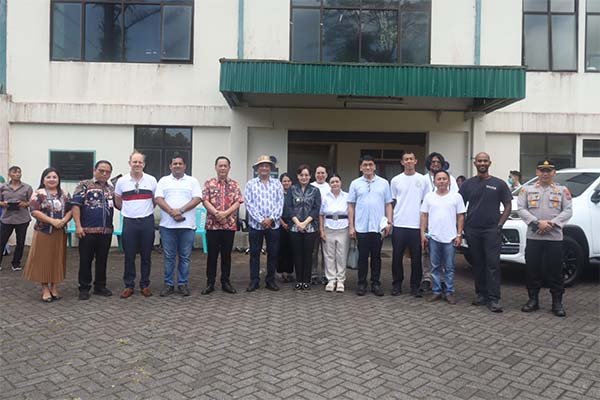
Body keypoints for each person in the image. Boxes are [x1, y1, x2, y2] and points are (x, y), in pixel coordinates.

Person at [517, 160, 572, 317]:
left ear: (554, 173)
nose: (545, 173)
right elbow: (521, 208)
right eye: (542, 170)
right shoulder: (526, 190)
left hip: (554, 238)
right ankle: (533, 300)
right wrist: (537, 223)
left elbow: (568, 210)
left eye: (548, 170)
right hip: (534, 237)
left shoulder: (562, 190)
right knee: (532, 270)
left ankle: (557, 303)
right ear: (537, 172)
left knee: (556, 271)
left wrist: (551, 224)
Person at [459, 152, 512, 313]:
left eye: (485, 161)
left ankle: (494, 298)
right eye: (479, 161)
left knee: (493, 264)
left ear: (489, 163)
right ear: (475, 163)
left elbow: (508, 205)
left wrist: (499, 225)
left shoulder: (499, 184)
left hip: (491, 230)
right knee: (478, 264)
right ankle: (480, 294)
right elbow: (459, 207)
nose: (482, 163)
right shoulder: (467, 184)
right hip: (473, 230)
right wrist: (463, 227)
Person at [71, 160, 120, 300]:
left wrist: (119, 191)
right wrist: (78, 226)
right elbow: (75, 205)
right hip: (87, 231)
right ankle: (84, 288)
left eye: (107, 172)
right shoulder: (84, 185)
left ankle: (100, 286)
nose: (104, 174)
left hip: (106, 231)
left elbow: (119, 206)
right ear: (94, 170)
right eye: (101, 171)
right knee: (85, 260)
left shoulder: (111, 188)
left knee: (102, 260)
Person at [155, 156, 202, 297]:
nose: (177, 165)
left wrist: (180, 210)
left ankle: (182, 284)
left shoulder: (192, 181)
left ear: (184, 166)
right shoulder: (163, 181)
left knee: (185, 257)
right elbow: (158, 198)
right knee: (169, 257)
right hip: (167, 227)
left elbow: (197, 198)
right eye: (174, 163)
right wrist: (172, 212)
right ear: (170, 166)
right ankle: (168, 284)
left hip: (187, 226)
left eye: (180, 163)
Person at [23, 168, 72, 302]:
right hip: (43, 231)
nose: (52, 179)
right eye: (48, 177)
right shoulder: (38, 194)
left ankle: (54, 287)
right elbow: (34, 211)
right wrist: (52, 221)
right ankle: (45, 288)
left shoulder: (64, 193)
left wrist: (63, 221)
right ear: (43, 180)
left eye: (54, 177)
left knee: (57, 259)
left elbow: (70, 210)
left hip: (60, 232)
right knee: (43, 259)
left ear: (59, 179)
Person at [348, 155, 393, 296]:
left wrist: (389, 222)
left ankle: (376, 283)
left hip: (377, 227)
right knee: (362, 257)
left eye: (370, 164)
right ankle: (361, 283)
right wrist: (351, 226)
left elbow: (388, 204)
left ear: (374, 167)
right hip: (361, 227)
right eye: (365, 165)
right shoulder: (355, 183)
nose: (368, 167)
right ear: (360, 167)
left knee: (376, 257)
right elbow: (351, 206)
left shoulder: (384, 183)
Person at [114, 151, 157, 299]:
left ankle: (145, 285)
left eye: (140, 162)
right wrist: (129, 210)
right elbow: (118, 201)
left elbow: (155, 200)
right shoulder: (122, 181)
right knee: (129, 255)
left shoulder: (151, 180)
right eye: (134, 162)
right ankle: (129, 285)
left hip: (147, 221)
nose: (137, 164)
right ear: (129, 163)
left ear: (144, 164)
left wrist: (144, 210)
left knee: (146, 255)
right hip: (129, 222)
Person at [420, 170, 466, 305]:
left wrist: (459, 234)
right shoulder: (429, 197)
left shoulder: (456, 197)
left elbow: (461, 216)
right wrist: (422, 234)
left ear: (449, 181)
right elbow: (424, 215)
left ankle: (449, 292)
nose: (441, 181)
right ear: (434, 181)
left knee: (449, 267)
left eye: (444, 179)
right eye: (438, 179)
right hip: (433, 237)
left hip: (450, 237)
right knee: (434, 266)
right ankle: (436, 291)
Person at [201, 156, 243, 295]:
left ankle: (226, 282)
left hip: (228, 226)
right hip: (212, 226)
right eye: (220, 165)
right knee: (212, 256)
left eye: (225, 166)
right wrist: (216, 213)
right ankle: (210, 283)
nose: (223, 168)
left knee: (226, 255)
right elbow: (205, 200)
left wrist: (225, 214)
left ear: (229, 168)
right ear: (215, 167)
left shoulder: (235, 184)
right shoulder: (209, 183)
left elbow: (238, 202)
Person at [389, 152, 430, 297]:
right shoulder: (395, 180)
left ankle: (415, 286)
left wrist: (425, 225)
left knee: (416, 258)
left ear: (416, 161)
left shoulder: (423, 180)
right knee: (397, 257)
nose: (409, 161)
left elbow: (426, 203)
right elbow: (392, 202)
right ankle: (397, 284)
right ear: (402, 162)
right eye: (406, 159)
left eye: (411, 159)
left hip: (416, 225)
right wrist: (390, 221)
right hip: (399, 223)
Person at [244, 155, 284, 292]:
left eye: (267, 166)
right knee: (254, 254)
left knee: (273, 253)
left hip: (273, 225)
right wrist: (261, 220)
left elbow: (280, 203)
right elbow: (249, 204)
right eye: (261, 166)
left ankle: (270, 280)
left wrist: (271, 219)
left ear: (270, 168)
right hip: (256, 225)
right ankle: (254, 281)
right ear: (257, 169)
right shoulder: (250, 184)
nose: (264, 168)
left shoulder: (277, 184)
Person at [422, 152, 458, 292]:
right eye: (433, 162)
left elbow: (455, 199)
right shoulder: (423, 179)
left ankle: (443, 281)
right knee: (428, 253)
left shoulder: (451, 179)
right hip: (428, 218)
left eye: (438, 162)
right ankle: (427, 278)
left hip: (445, 222)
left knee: (445, 254)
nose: (435, 164)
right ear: (429, 164)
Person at [283, 165, 321, 291]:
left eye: (306, 175)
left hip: (310, 228)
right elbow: (288, 208)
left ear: (310, 176)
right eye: (301, 175)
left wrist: (305, 223)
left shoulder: (315, 190)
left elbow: (316, 208)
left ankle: (306, 281)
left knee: (308, 255)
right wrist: (298, 223)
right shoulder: (292, 189)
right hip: (295, 227)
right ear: (298, 176)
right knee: (297, 254)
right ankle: (299, 280)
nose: (304, 177)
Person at [319, 173, 349, 293]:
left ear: (341, 183)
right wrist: (322, 230)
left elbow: (351, 212)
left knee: (341, 255)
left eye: (337, 181)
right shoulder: (325, 197)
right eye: (332, 182)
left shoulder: (347, 196)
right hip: (329, 227)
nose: (335, 184)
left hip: (343, 227)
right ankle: (331, 280)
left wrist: (352, 228)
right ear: (329, 184)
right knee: (329, 255)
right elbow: (321, 214)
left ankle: (340, 280)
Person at [0, 166, 33, 271]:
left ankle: (16, 263)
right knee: (1, 241)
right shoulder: (3, 187)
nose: (17, 174)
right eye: (14, 172)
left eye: (19, 172)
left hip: (22, 219)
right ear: (9, 174)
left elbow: (32, 202)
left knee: (20, 242)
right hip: (7, 219)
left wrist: (24, 204)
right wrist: (3, 204)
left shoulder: (27, 187)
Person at [311, 165, 330, 285]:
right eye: (318, 173)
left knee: (325, 251)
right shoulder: (311, 187)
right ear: (315, 174)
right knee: (313, 251)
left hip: (327, 224)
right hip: (312, 222)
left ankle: (324, 274)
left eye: (323, 173)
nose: (320, 175)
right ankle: (313, 273)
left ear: (326, 175)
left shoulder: (330, 187)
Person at [277, 173, 294, 283]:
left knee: (291, 249)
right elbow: (275, 209)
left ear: (291, 182)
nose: (286, 183)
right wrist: (282, 223)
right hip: (280, 223)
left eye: (288, 181)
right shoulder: (278, 194)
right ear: (281, 182)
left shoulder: (294, 194)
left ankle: (289, 272)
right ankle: (280, 271)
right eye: (284, 181)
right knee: (280, 249)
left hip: (293, 223)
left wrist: (292, 223)